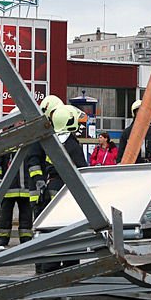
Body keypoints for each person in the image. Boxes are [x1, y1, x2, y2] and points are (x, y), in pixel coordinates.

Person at [35, 104, 88, 273]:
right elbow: (82, 171)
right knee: (71, 235)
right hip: (69, 193)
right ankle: (69, 272)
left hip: (51, 189)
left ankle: (47, 270)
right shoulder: (72, 145)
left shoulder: (52, 142)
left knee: (51, 233)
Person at [0, 145, 43, 251]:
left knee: (26, 215)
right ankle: (3, 238)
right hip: (8, 187)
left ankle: (25, 238)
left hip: (26, 188)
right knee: (5, 215)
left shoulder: (29, 142)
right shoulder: (6, 142)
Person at [116, 99, 151, 164]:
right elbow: (120, 157)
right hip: (133, 170)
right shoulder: (127, 133)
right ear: (135, 113)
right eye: (140, 111)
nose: (143, 113)